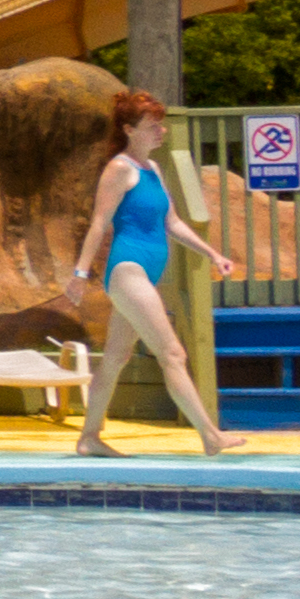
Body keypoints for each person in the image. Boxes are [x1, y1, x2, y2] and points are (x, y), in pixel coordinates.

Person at [73, 88, 235, 458]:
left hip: (147, 270)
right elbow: (99, 223)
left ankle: (89, 438)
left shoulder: (153, 169)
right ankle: (210, 435)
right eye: (153, 125)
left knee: (115, 357)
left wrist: (212, 254)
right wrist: (80, 274)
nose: (161, 131)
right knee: (173, 354)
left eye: (161, 124)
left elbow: (172, 222)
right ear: (130, 129)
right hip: (128, 270)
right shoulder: (119, 168)